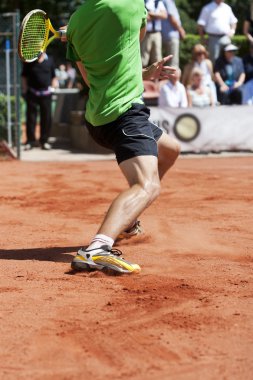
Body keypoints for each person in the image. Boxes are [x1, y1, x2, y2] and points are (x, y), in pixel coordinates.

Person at [65, 0, 180, 274]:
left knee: (170, 149)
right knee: (147, 185)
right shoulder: (131, 5)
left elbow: (94, 79)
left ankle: (127, 221)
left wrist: (143, 74)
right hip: (125, 115)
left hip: (98, 119)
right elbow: (138, 35)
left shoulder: (76, 22)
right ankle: (96, 249)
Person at [22, 53, 58, 150]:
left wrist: (53, 88)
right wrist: (25, 90)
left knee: (46, 118)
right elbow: (24, 76)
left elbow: (54, 76)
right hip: (32, 93)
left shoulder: (50, 60)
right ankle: (30, 141)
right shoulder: (29, 61)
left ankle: (44, 141)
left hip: (46, 94)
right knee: (31, 118)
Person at [141, 0, 167, 67]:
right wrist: (157, 15)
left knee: (157, 57)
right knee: (143, 58)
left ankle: (156, 76)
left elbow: (164, 15)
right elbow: (144, 17)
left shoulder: (158, 2)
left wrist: (152, 14)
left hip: (156, 33)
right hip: (146, 33)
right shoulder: (143, 2)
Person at [162, 0, 185, 68]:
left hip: (168, 35)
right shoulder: (168, 1)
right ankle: (171, 79)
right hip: (171, 36)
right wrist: (180, 30)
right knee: (173, 64)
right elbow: (172, 18)